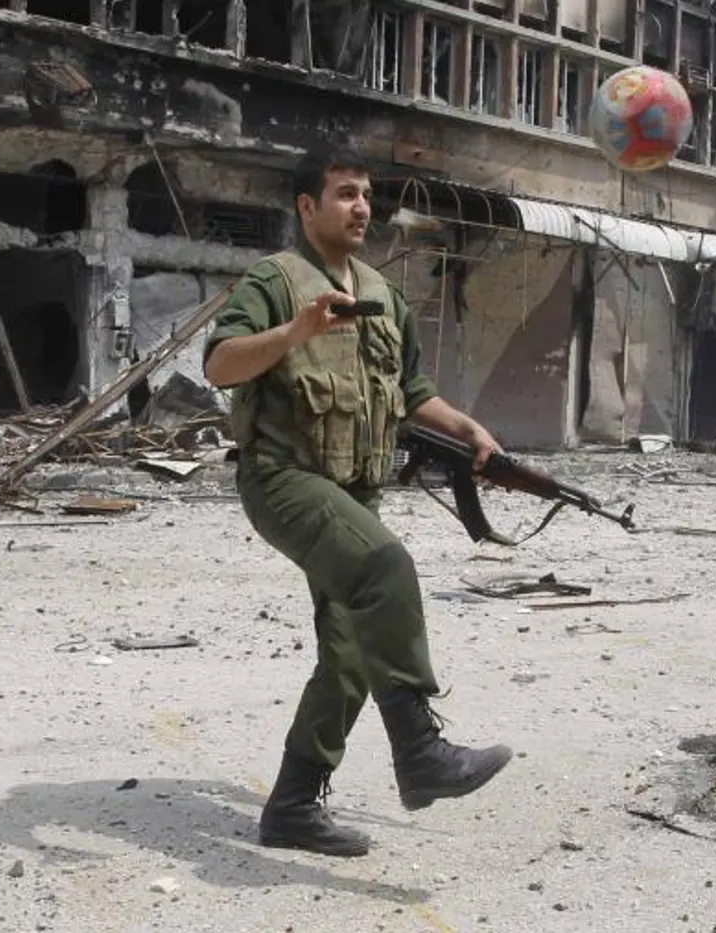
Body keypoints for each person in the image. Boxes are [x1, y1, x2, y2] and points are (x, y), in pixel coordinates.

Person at [202, 144, 512, 859]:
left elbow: (411, 394)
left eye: (367, 195)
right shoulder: (276, 280)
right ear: (307, 206)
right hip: (282, 477)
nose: (362, 207)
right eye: (345, 193)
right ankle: (422, 753)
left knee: (349, 650)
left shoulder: (381, 291)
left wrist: (467, 430)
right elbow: (220, 363)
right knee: (386, 571)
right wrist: (295, 331)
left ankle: (291, 806)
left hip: (352, 487)